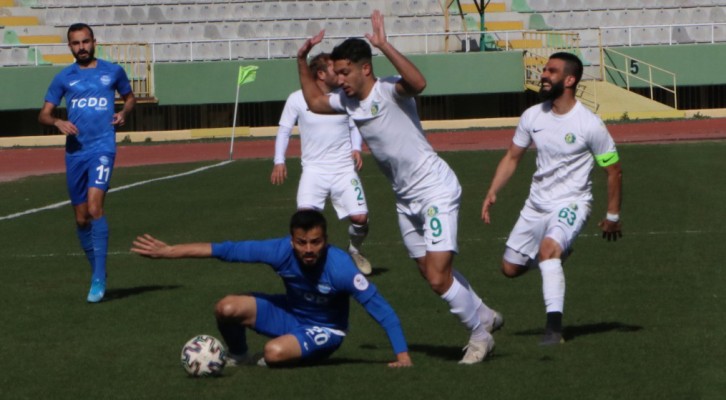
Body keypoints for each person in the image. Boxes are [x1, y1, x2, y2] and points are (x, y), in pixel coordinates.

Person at [296, 10, 502, 364]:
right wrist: (301, 59)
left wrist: (384, 45)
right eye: (336, 73)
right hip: (405, 200)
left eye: (344, 72)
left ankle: (480, 337)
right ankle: (484, 314)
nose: (338, 79)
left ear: (365, 69)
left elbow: (418, 83)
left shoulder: (390, 90)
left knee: (438, 277)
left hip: (435, 190)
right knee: (429, 272)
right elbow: (315, 102)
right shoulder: (348, 102)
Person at [130, 210, 412, 368]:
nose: (309, 249)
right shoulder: (279, 251)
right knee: (226, 307)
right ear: (291, 240)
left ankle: (280, 352)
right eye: (302, 242)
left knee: (273, 353)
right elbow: (226, 250)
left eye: (315, 242)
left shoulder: (341, 268)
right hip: (290, 313)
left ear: (325, 240)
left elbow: (380, 307)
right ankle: (239, 355)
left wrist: (402, 356)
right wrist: (169, 251)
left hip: (326, 329)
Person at [481, 52, 623, 345]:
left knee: (547, 250)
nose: (543, 75)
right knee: (510, 269)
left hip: (572, 203)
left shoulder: (589, 124)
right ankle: (558, 255)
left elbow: (613, 171)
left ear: (569, 80)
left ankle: (554, 330)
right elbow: (512, 156)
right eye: (544, 70)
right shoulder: (532, 116)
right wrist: (493, 190)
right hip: (536, 204)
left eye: (551, 71)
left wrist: (612, 216)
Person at [38, 23, 136, 303]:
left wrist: (124, 112)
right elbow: (43, 114)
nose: (81, 47)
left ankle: (98, 278)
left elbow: (129, 98)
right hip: (75, 153)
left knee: (95, 208)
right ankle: (98, 271)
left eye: (85, 41)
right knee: (81, 219)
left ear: (94, 42)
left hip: (102, 148)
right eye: (75, 43)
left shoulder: (113, 71)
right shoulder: (63, 78)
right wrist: (57, 122)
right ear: (69, 46)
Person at [271, 52, 373, 276]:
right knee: (305, 221)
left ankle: (354, 250)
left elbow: (354, 124)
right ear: (320, 74)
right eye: (334, 70)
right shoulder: (297, 99)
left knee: (360, 218)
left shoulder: (345, 96)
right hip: (314, 171)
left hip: (344, 170)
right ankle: (308, 267)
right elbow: (285, 129)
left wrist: (356, 147)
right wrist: (279, 161)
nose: (340, 74)